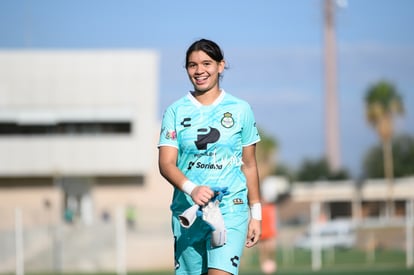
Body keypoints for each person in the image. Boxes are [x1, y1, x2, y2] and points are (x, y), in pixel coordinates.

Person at [158, 38, 262, 275]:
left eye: (207, 63)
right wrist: (192, 189)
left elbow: (249, 164)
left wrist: (256, 215)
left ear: (220, 66)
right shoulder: (175, 111)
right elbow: (166, 164)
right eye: (192, 65)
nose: (199, 70)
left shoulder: (240, 109)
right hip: (188, 213)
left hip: (230, 209)